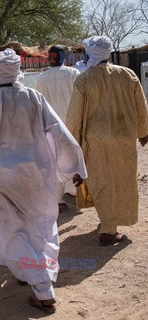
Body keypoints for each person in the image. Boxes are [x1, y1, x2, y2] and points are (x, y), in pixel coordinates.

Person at [0, 49, 87, 313]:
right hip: (38, 174)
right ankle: (30, 274)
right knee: (40, 226)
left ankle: (42, 288)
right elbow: (59, 131)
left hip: (1, 177)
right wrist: (73, 166)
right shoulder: (34, 97)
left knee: (12, 229)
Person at [66, 36, 148, 246]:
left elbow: (74, 116)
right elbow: (141, 106)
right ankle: (109, 223)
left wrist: (71, 142)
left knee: (102, 180)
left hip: (95, 141)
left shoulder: (84, 79)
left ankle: (108, 229)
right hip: (124, 137)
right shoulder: (128, 75)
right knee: (121, 179)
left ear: (89, 53)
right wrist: (143, 132)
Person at [35, 45, 80, 212]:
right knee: (73, 159)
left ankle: (58, 199)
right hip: (71, 124)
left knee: (54, 161)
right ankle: (73, 191)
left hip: (52, 127)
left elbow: (39, 104)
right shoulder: (73, 74)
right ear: (63, 57)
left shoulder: (42, 77)